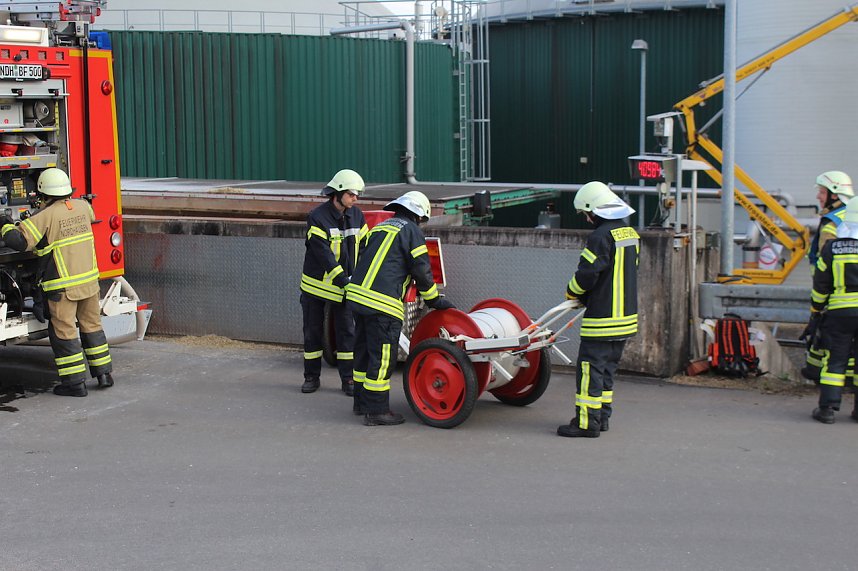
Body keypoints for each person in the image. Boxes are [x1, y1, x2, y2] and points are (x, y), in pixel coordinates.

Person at [0, 168, 114, 397]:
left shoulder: (45, 217)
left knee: (65, 333)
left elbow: (20, 242)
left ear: (43, 194)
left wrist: (5, 224)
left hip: (63, 288)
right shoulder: (83, 207)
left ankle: (75, 384)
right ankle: (104, 374)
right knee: (92, 327)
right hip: (90, 283)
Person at [345, 190, 455, 426]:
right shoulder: (412, 231)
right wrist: (434, 300)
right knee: (383, 358)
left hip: (357, 298)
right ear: (418, 215)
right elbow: (421, 270)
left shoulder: (380, 228)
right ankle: (377, 412)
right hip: (382, 304)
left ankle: (361, 403)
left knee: (363, 352)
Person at [558, 181, 639, 438]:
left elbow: (587, 274)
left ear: (594, 210)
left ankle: (586, 423)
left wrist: (573, 293)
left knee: (589, 372)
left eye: (586, 213)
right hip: (626, 319)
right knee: (606, 373)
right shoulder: (629, 233)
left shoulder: (600, 236)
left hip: (602, 319)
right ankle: (602, 418)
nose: (586, 218)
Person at [299, 169, 368, 396]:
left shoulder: (357, 216)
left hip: (346, 287)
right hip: (317, 287)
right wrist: (343, 280)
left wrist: (362, 278)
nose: (355, 198)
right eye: (351, 194)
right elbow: (323, 254)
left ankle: (348, 379)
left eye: (357, 194)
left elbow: (366, 247)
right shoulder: (317, 217)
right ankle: (311, 377)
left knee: (347, 333)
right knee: (313, 332)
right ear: (337, 193)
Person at [806, 197, 858, 424]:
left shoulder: (832, 248)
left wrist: (816, 309)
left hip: (840, 312)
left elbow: (821, 283)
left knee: (834, 360)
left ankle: (827, 410)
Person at [802, 171, 854, 381]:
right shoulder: (850, 215)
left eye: (822, 192)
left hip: (834, 291)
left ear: (834, 195)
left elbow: (826, 262)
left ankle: (821, 376)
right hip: (847, 289)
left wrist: (820, 296)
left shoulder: (833, 221)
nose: (818, 197)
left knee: (831, 338)